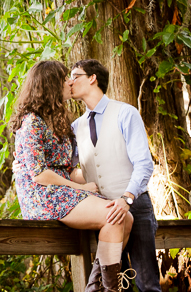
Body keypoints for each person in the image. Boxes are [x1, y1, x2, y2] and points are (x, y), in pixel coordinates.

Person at [11, 60, 134, 292]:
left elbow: (66, 170)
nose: (69, 81)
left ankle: (95, 288)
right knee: (113, 216)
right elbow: (39, 175)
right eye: (63, 78)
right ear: (49, 85)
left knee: (126, 219)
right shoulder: (31, 123)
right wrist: (82, 188)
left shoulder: (58, 122)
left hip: (60, 190)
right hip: (41, 197)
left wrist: (100, 180)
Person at [69, 59, 160, 292]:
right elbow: (78, 171)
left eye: (75, 76)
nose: (70, 82)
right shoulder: (75, 127)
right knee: (116, 286)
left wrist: (127, 198)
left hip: (135, 206)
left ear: (92, 78)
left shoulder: (125, 113)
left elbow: (144, 163)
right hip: (105, 214)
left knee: (147, 284)